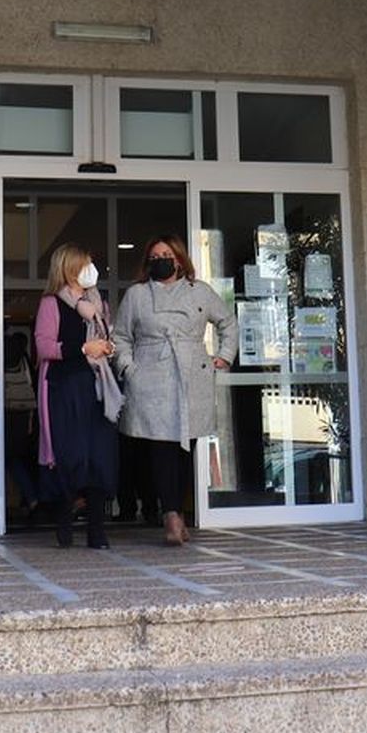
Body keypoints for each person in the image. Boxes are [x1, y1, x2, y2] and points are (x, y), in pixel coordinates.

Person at [113, 234, 237, 546]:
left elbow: (227, 322)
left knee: (185, 448)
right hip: (150, 377)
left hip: (191, 376)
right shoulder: (136, 295)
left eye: (166, 255)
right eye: (154, 257)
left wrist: (224, 356)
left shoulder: (201, 291)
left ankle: (177, 512)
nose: (160, 261)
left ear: (179, 260)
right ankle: (170, 515)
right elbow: (121, 337)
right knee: (160, 448)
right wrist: (129, 368)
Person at [34, 243, 119, 549]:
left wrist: (107, 347)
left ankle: (96, 529)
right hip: (65, 387)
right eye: (85, 263)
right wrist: (83, 349)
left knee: (99, 456)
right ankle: (65, 520)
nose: (91, 270)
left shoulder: (98, 302)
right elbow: (44, 346)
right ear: (69, 268)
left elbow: (107, 336)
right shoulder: (52, 303)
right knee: (70, 455)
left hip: (98, 386)